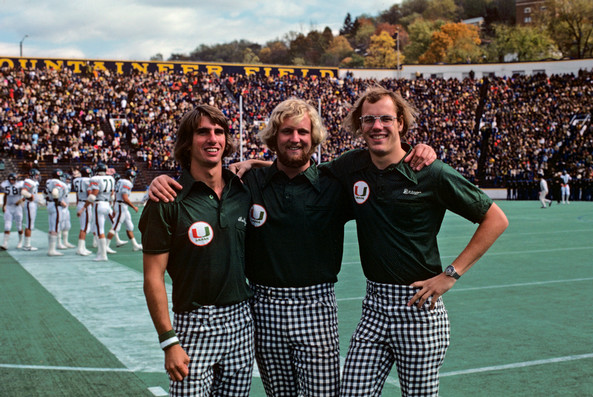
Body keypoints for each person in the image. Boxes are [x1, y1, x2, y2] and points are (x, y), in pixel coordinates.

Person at [148, 98, 437, 396]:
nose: (295, 138)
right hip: (264, 307)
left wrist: (420, 150)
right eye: (287, 132)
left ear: (314, 138)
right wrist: (159, 181)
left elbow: (382, 167)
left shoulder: (334, 182)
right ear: (274, 137)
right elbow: (209, 178)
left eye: (302, 132)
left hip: (317, 308)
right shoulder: (250, 182)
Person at [319, 86, 508, 397]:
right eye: (368, 119)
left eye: (385, 118)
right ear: (359, 125)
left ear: (400, 123)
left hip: (418, 307)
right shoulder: (351, 165)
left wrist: (451, 275)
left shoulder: (431, 171)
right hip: (374, 309)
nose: (376, 126)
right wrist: (255, 166)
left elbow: (496, 219)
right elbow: (304, 172)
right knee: (352, 391)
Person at [140, 104, 255, 397]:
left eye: (219, 132)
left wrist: (253, 161)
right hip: (194, 325)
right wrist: (169, 341)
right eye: (202, 132)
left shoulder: (241, 189)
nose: (212, 139)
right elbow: (153, 277)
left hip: (242, 322)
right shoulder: (166, 198)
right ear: (187, 142)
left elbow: (290, 165)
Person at [78, 163, 115, 261]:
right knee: (101, 229)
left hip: (99, 204)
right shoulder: (111, 178)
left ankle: (102, 255)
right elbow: (112, 195)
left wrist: (83, 208)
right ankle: (101, 252)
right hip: (107, 204)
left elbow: (92, 196)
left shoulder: (95, 179)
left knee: (100, 230)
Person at [106, 169, 142, 251]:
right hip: (121, 206)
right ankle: (105, 246)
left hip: (121, 206)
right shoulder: (127, 183)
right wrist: (133, 206)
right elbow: (125, 198)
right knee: (115, 227)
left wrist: (114, 208)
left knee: (129, 226)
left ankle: (135, 245)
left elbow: (116, 195)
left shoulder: (120, 181)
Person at [45, 169, 69, 256]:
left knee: (51, 227)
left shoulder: (49, 182)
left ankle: (50, 248)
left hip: (50, 205)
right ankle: (52, 250)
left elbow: (45, 193)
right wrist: (58, 201)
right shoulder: (57, 182)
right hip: (56, 205)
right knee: (55, 227)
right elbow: (55, 192)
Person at [73, 166, 94, 256]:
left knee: (84, 227)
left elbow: (77, 194)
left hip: (81, 202)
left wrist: (78, 205)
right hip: (85, 204)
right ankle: (80, 248)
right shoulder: (88, 181)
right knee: (84, 228)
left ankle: (83, 247)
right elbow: (90, 195)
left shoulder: (76, 180)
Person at [1, 173, 24, 250]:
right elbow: (5, 195)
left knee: (19, 226)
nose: (11, 181)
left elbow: (27, 194)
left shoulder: (20, 184)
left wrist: (21, 200)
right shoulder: (5, 184)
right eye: (10, 179)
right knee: (7, 226)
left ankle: (20, 241)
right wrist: (4, 205)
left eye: (13, 179)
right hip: (9, 207)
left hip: (17, 207)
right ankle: (5, 244)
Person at [21, 168, 42, 251]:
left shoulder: (34, 182)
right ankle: (27, 245)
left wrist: (38, 200)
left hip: (33, 204)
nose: (38, 176)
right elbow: (24, 191)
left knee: (30, 224)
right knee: (29, 225)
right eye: (36, 175)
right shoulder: (28, 181)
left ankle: (27, 244)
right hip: (30, 204)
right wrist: (30, 196)